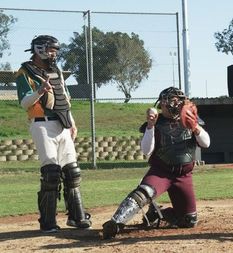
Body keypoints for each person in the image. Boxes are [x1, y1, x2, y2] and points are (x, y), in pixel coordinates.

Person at [102, 86, 210, 239]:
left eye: (177, 100)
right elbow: (146, 150)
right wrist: (150, 126)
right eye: (171, 101)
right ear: (162, 104)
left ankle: (157, 213)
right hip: (161, 172)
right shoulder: (157, 122)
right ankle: (115, 223)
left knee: (189, 220)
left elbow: (206, 144)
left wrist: (195, 127)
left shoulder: (191, 119)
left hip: (184, 176)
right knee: (144, 192)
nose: (175, 104)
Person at [15, 35, 92, 233]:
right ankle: (48, 221)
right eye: (51, 50)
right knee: (51, 172)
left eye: (55, 50)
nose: (54, 54)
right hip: (41, 124)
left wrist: (71, 122)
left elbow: (63, 98)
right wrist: (40, 91)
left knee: (72, 171)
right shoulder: (24, 71)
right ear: (39, 49)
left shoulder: (55, 70)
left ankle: (77, 217)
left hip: (62, 123)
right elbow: (24, 103)